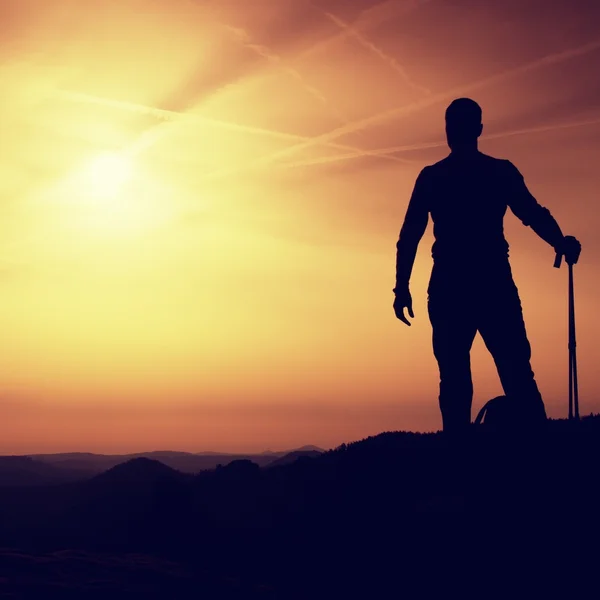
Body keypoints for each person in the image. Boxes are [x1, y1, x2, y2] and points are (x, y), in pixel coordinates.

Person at [393, 98, 581, 433]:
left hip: (452, 287)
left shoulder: (434, 178)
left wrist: (402, 287)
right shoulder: (498, 172)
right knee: (514, 372)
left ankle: (460, 455)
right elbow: (532, 213)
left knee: (456, 378)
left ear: (452, 132)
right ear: (478, 129)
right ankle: (540, 452)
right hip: (492, 285)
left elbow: (410, 236)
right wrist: (559, 241)